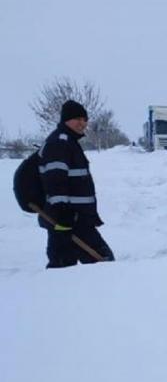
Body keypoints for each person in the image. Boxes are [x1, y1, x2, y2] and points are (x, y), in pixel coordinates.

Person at [39, 100, 115, 268]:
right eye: (77, 119)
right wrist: (62, 212)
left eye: (84, 119)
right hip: (68, 219)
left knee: (64, 264)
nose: (82, 123)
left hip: (74, 218)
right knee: (103, 264)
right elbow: (55, 179)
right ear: (66, 120)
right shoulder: (59, 143)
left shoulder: (69, 142)